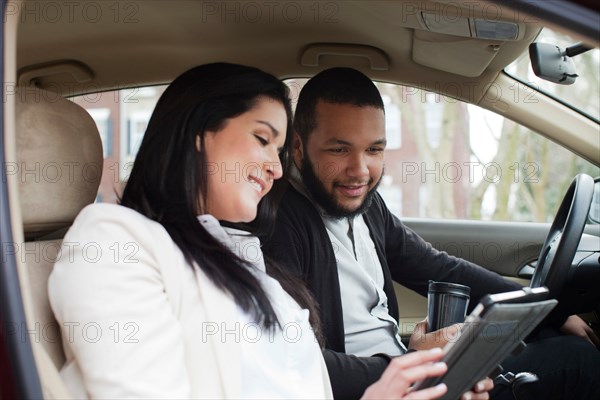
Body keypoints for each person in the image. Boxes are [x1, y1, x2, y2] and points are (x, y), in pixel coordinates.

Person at [48, 63, 453, 399]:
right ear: (198, 136)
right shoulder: (114, 241)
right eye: (262, 139)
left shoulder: (242, 257)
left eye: (278, 152)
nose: (276, 170)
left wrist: (415, 380)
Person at [264, 67, 600, 399]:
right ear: (297, 147)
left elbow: (438, 268)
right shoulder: (280, 222)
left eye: (374, 150)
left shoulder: (366, 205)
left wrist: (547, 312)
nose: (360, 170)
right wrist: (412, 365)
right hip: (387, 388)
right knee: (578, 363)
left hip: (416, 378)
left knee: (567, 350)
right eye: (339, 150)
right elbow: (298, 362)